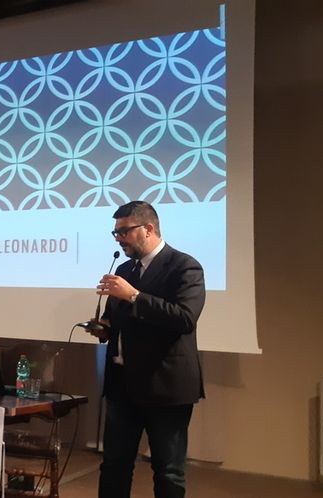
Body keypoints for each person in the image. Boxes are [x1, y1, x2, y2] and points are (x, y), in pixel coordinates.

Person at [87, 201, 205, 498]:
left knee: (168, 471)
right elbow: (119, 321)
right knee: (114, 465)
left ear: (148, 228)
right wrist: (104, 328)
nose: (119, 239)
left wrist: (134, 296)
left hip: (165, 386)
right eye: (115, 233)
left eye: (124, 231)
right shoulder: (125, 269)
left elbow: (185, 319)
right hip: (122, 385)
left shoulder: (184, 266)